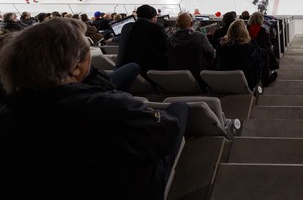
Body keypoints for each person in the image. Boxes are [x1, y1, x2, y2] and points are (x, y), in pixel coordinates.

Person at [0, 18, 188, 200]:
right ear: (76, 68)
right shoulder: (109, 110)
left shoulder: (7, 114)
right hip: (125, 188)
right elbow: (166, 133)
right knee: (179, 108)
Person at [116, 4, 168, 79]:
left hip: (123, 71)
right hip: (146, 72)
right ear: (153, 18)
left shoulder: (126, 27)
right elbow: (165, 48)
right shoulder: (155, 28)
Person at [215, 19, 269, 90]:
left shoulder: (221, 45)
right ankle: (265, 80)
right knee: (264, 54)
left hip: (223, 79)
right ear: (245, 32)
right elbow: (260, 56)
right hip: (248, 81)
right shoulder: (249, 48)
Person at [167, 12, 215, 92]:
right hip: (199, 76)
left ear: (177, 25)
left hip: (178, 76)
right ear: (192, 23)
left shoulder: (169, 40)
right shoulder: (200, 37)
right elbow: (211, 54)